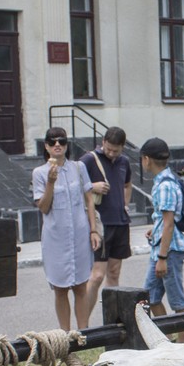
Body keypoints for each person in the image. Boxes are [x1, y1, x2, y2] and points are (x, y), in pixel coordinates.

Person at [33, 127, 100, 336]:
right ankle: (65, 336)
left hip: (79, 234)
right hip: (56, 237)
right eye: (52, 142)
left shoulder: (79, 168)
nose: (57, 145)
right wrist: (51, 183)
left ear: (67, 144)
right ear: (46, 146)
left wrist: (93, 230)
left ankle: (83, 334)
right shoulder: (39, 173)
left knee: (81, 286)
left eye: (61, 141)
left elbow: (89, 199)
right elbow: (43, 207)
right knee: (60, 289)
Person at [78, 126, 133, 326]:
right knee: (97, 275)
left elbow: (128, 184)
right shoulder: (89, 160)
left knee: (114, 272)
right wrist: (93, 186)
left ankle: (112, 321)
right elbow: (74, 183)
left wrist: (125, 205)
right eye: (108, 149)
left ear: (122, 148)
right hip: (100, 224)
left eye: (115, 150)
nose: (111, 153)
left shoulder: (124, 162)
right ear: (103, 143)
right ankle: (83, 323)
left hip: (120, 222)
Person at [141, 137, 184, 343]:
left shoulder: (165, 185)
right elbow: (164, 221)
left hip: (168, 251)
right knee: (150, 297)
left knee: (176, 299)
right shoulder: (163, 181)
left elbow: (170, 223)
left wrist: (162, 257)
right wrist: (155, 229)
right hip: (160, 247)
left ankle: (183, 344)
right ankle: (166, 339)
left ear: (146, 159)